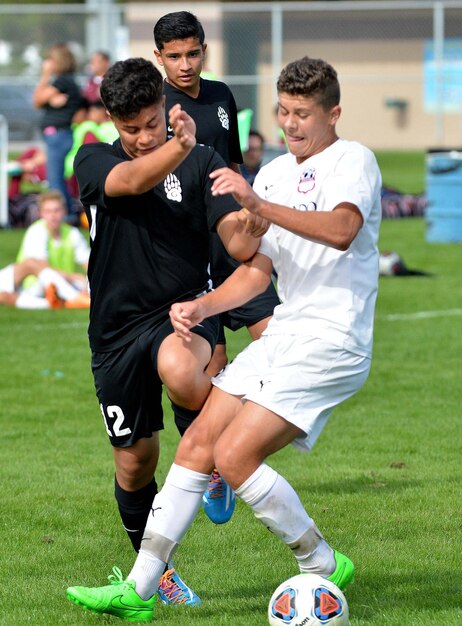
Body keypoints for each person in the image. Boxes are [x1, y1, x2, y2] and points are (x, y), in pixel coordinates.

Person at [66, 55, 382, 623]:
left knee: (233, 455)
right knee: (198, 447)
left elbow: (341, 231)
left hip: (334, 338)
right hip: (283, 332)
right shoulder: (276, 173)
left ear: (334, 113)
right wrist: (203, 306)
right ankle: (141, 590)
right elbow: (256, 268)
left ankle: (321, 563)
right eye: (283, 112)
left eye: (303, 113)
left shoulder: (353, 160)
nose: (291, 124)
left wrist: (257, 208)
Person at [66, 57, 265, 608]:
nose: (143, 137)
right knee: (135, 463)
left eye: (151, 123)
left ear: (164, 106)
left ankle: (217, 455)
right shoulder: (94, 159)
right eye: (130, 128)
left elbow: (237, 243)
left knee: (181, 367)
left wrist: (256, 215)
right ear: (112, 120)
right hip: (113, 331)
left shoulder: (200, 161)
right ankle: (158, 571)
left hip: (181, 313)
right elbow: (128, 181)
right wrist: (174, 146)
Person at [154, 10, 280, 524]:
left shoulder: (223, 96)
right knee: (210, 371)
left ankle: (240, 448)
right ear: (158, 58)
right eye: (175, 56)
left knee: (278, 342)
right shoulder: (154, 107)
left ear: (204, 50)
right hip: (188, 253)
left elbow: (231, 166)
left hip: (232, 245)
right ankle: (215, 469)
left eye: (193, 53)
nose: (185, 65)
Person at [1, 190, 90, 309]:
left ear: (64, 211)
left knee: (85, 283)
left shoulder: (72, 233)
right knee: (32, 268)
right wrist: (75, 277)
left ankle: (64, 300)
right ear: (41, 213)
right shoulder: (37, 231)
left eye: (56, 210)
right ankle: (72, 298)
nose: (53, 215)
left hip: (60, 284)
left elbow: (89, 264)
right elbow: (41, 268)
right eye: (48, 211)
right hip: (32, 284)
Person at [33, 43, 83, 217]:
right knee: (56, 178)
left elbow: (37, 100)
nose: (47, 63)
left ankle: (65, 216)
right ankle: (68, 213)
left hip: (59, 135)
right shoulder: (65, 82)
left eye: (50, 59)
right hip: (58, 136)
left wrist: (45, 75)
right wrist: (50, 97)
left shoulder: (63, 81)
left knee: (54, 179)